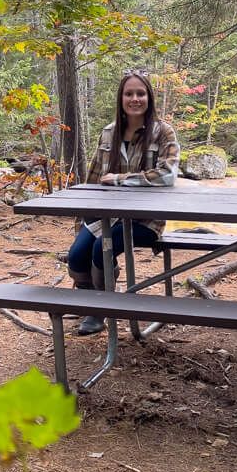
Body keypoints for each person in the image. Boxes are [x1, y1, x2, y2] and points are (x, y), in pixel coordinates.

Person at [67, 70, 180, 335]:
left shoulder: (163, 132)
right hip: (107, 215)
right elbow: (94, 178)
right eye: (129, 94)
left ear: (149, 97)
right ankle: (89, 302)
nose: (135, 99)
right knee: (76, 255)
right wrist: (81, 219)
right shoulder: (109, 133)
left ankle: (100, 311)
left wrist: (121, 178)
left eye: (140, 93)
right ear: (121, 98)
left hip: (145, 219)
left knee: (101, 250)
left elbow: (167, 174)